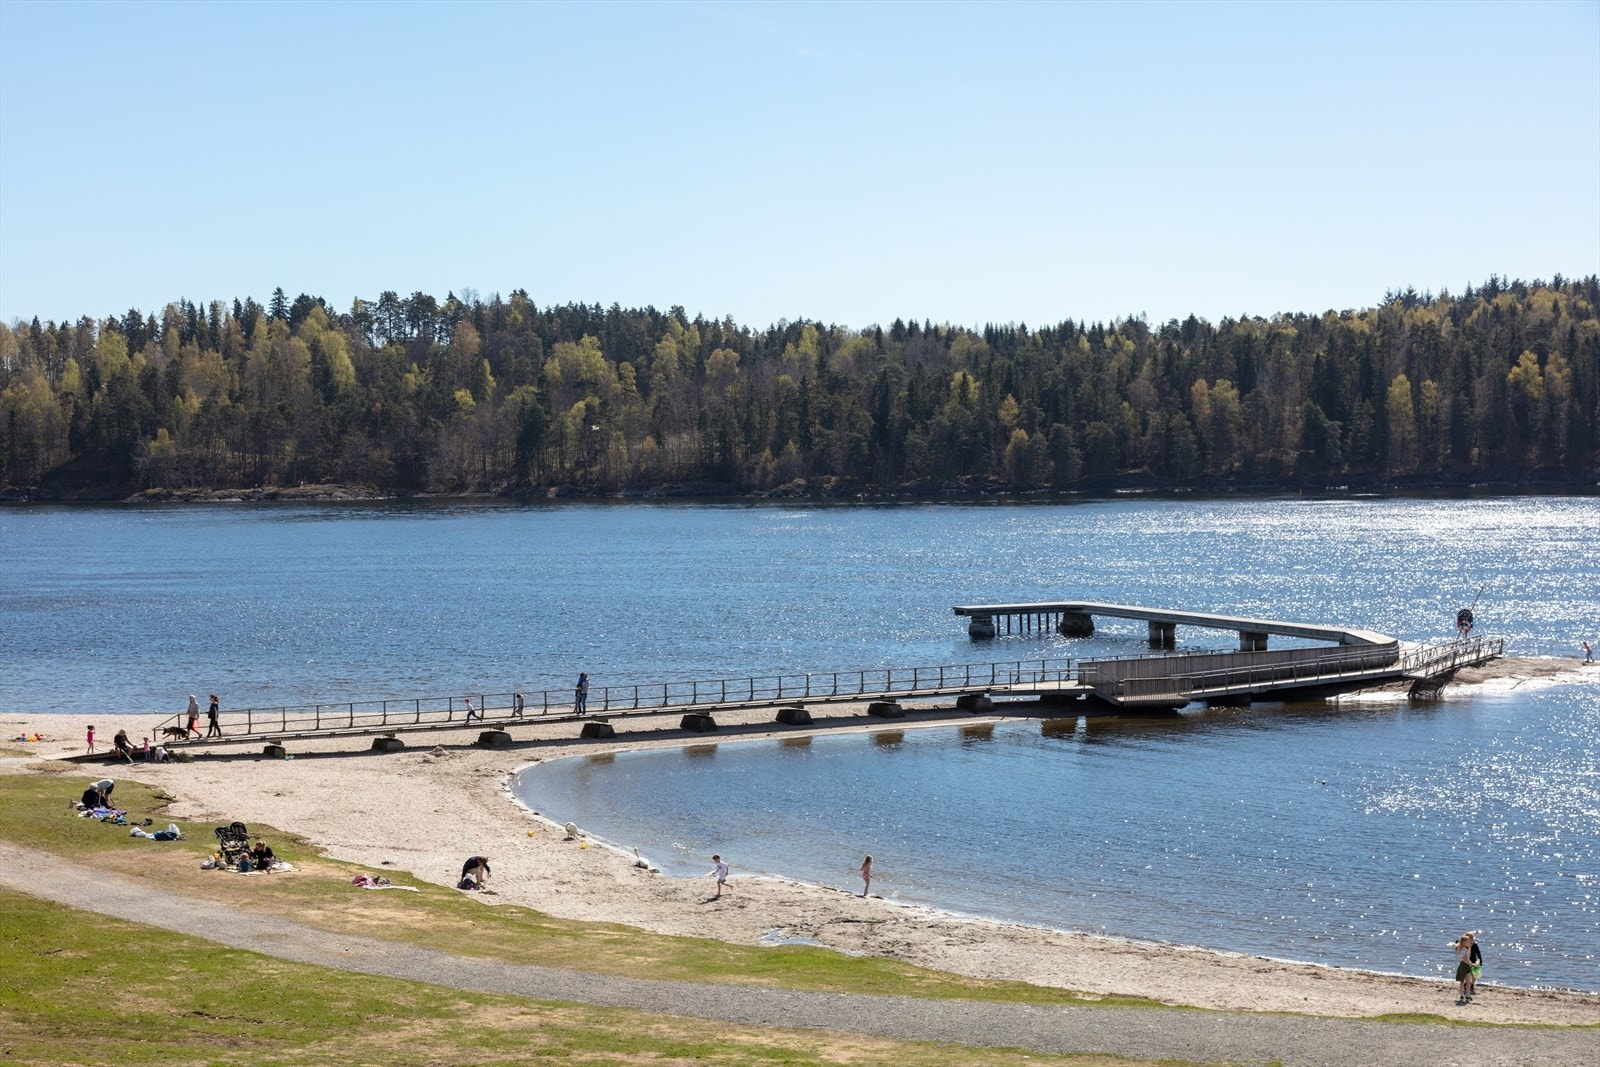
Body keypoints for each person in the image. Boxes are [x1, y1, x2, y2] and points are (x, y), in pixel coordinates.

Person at [1453, 932, 1475, 1004]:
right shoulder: (1463, 950)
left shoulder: (1465, 949)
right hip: (1464, 965)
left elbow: (1468, 956)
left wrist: (1470, 948)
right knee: (1463, 981)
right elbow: (1465, 959)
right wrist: (1471, 964)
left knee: (1468, 981)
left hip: (1466, 965)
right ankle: (1462, 994)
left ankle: (1467, 994)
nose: (1470, 942)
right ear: (1464, 942)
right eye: (1468, 942)